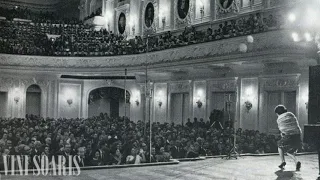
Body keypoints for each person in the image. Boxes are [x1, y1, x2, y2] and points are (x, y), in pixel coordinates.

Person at [275, 105, 302, 171]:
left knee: (280, 146)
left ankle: (283, 161)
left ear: (278, 113)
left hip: (289, 136)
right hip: (297, 136)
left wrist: (283, 133)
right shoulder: (291, 114)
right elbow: (296, 125)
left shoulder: (279, 118)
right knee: (290, 151)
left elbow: (282, 129)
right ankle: (296, 161)